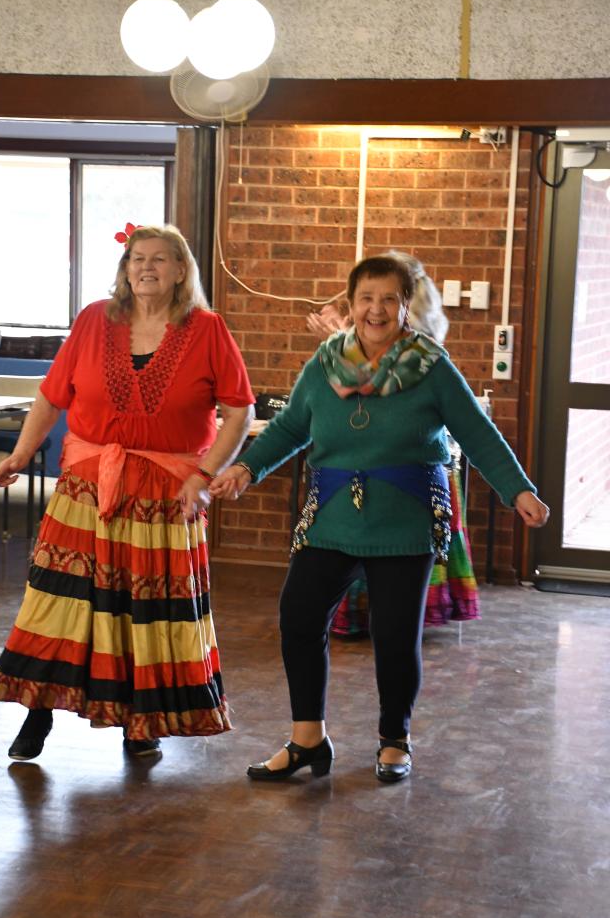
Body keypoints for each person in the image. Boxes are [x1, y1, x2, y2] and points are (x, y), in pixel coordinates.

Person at [211, 253, 549, 784]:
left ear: (405, 306)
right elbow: (292, 426)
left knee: (394, 636)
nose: (376, 309)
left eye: (389, 299)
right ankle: (308, 740)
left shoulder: (431, 368)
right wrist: (246, 468)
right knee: (299, 619)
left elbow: (477, 433)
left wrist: (518, 489)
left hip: (404, 522)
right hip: (331, 518)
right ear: (351, 304)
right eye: (366, 298)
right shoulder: (325, 364)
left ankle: (395, 739)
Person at [0, 224, 254, 761]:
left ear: (181, 270)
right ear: (125, 269)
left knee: (147, 610)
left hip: (165, 496)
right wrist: (20, 452)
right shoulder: (92, 321)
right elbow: (51, 396)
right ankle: (38, 709)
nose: (146, 267)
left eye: (159, 258)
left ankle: (142, 721)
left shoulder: (207, 329)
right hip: (86, 490)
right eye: (137, 258)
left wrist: (204, 475)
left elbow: (239, 412)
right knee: (60, 603)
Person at [307, 251, 478, 639]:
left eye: (387, 297)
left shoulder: (415, 342)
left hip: (404, 472)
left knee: (396, 569)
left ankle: (386, 622)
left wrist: (335, 339)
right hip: (387, 468)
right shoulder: (417, 320)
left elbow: (376, 380)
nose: (377, 308)